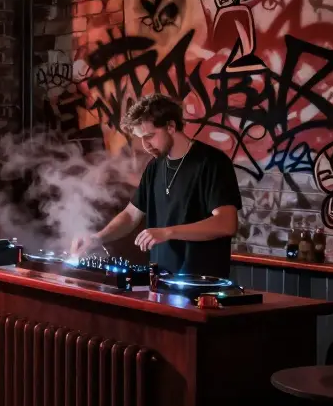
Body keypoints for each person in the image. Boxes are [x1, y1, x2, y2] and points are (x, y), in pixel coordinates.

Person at [71, 93, 241, 276]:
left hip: (203, 284)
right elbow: (131, 214)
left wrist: (168, 232)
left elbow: (226, 223)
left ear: (171, 126)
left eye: (150, 136)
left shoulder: (212, 163)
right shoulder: (154, 166)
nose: (145, 145)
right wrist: (97, 238)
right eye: (140, 138)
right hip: (160, 280)